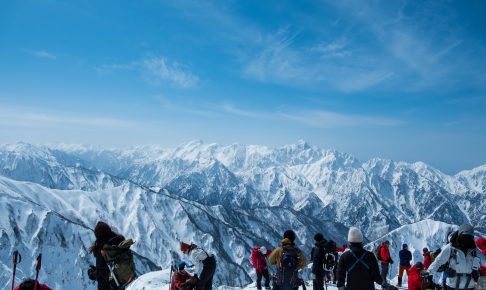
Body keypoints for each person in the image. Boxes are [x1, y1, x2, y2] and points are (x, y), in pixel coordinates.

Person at [428, 224, 486, 290]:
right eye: (465, 237)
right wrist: (429, 272)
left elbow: (484, 261)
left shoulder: (474, 249)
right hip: (453, 286)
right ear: (460, 235)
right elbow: (438, 261)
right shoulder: (451, 248)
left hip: (469, 286)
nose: (467, 240)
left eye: (469, 237)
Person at [88, 221, 126, 290]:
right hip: (124, 280)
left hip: (110, 285)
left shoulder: (103, 250)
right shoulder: (118, 243)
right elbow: (109, 267)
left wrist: (92, 274)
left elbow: (101, 274)